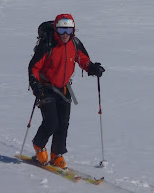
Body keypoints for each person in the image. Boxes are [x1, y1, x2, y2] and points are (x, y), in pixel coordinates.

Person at [28, 13, 105, 168]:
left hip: (64, 88)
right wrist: (36, 86)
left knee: (63, 124)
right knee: (51, 122)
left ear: (73, 31)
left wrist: (92, 68)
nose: (65, 35)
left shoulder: (74, 43)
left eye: (68, 31)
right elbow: (33, 67)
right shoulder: (47, 45)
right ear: (56, 29)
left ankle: (57, 154)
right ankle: (38, 144)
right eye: (62, 30)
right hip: (46, 88)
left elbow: (83, 60)